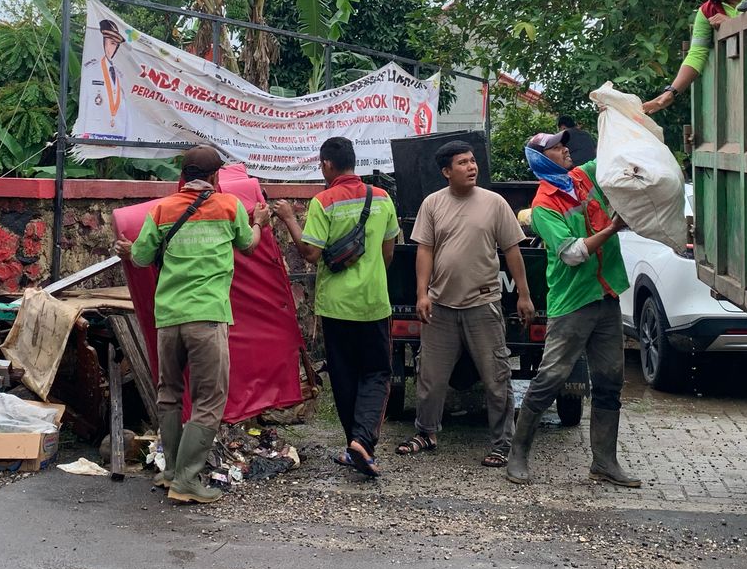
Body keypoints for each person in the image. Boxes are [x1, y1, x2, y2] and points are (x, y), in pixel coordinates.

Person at [115, 144, 260, 505]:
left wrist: (126, 250)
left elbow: (142, 256)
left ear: (183, 177)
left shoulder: (163, 210)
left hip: (169, 318)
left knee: (169, 395)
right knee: (209, 400)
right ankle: (187, 480)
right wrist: (260, 222)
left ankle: (170, 473)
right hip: (207, 318)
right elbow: (249, 246)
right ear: (214, 177)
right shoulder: (229, 207)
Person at [505, 130, 640, 488]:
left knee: (610, 380)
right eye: (556, 147)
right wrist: (612, 228)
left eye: (563, 144)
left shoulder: (582, 177)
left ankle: (605, 463)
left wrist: (624, 119)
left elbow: (612, 156)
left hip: (606, 295)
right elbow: (573, 254)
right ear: (541, 159)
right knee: (550, 378)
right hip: (573, 302)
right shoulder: (545, 205)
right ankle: (517, 454)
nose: (565, 149)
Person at [395, 139, 535, 468]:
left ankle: (503, 444)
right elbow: (424, 251)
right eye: (463, 163)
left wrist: (525, 295)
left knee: (496, 378)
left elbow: (512, 250)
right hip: (441, 307)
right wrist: (421, 293)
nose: (472, 167)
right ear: (446, 171)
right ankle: (426, 432)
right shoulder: (432, 205)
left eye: (473, 161)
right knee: (430, 375)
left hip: (483, 305)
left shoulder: (494, 203)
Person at [272, 136, 399, 477]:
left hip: (336, 306)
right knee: (376, 372)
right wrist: (370, 277)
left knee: (344, 374)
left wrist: (288, 218)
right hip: (373, 303)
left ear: (327, 164)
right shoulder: (383, 198)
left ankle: (353, 444)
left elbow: (311, 253)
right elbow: (388, 253)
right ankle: (361, 443)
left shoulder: (324, 201)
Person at [643, 0, 747, 115]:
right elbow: (696, 54)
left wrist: (733, 25)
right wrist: (671, 92)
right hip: (740, 91)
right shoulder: (707, 12)